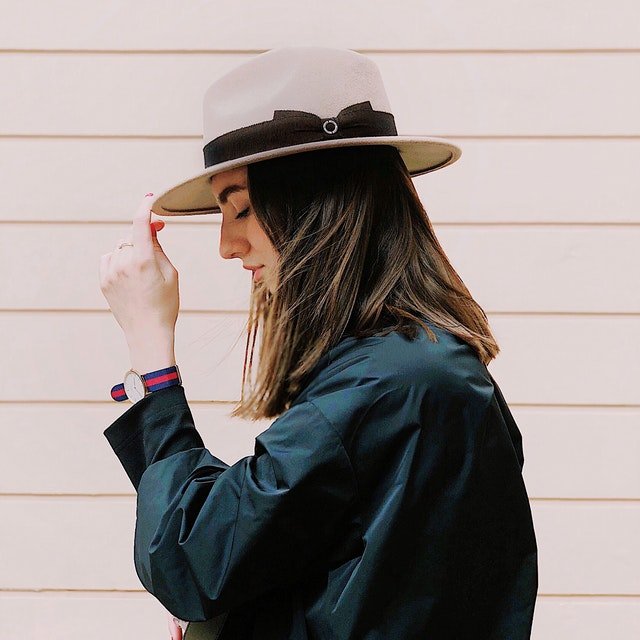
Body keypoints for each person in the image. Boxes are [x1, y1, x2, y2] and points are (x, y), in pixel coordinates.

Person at [99, 46, 538, 639]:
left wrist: (152, 354)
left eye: (242, 209)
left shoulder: (382, 386)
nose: (227, 245)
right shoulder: (415, 370)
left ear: (318, 205)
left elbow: (192, 560)